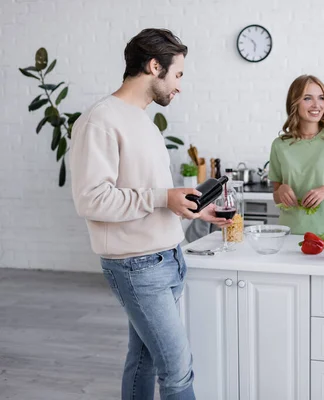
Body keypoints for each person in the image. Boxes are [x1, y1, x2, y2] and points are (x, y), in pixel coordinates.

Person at [70, 28, 230, 400]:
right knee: (177, 371)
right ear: (154, 66)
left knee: (143, 360)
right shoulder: (100, 120)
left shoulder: (144, 121)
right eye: (177, 75)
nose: (178, 86)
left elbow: (151, 196)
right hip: (136, 266)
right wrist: (162, 197)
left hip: (166, 258)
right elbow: (91, 200)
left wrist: (191, 210)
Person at [269, 75, 324, 235]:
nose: (316, 105)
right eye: (307, 98)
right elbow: (276, 194)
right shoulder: (279, 145)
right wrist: (281, 191)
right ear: (294, 103)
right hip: (290, 233)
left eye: (321, 98)